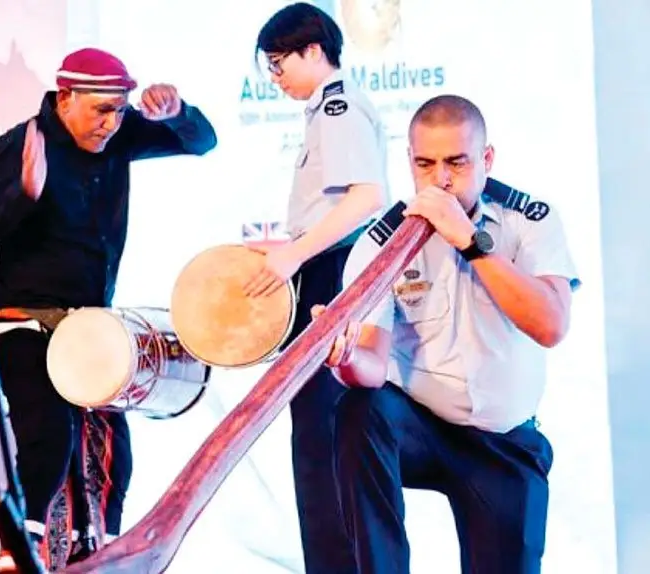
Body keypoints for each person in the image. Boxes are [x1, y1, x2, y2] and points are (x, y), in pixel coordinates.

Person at [0, 47, 217, 571]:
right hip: (22, 323)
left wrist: (178, 112)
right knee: (48, 434)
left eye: (120, 109)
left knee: (110, 445)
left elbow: (201, 142)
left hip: (90, 328)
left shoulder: (120, 134)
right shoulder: (18, 146)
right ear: (66, 98)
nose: (112, 123)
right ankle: (15, 554)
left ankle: (93, 551)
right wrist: (23, 194)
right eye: (101, 110)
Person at [315, 94, 579, 574]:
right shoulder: (381, 242)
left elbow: (551, 325)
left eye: (456, 162)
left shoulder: (529, 221)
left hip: (503, 441)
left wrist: (467, 239)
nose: (440, 179)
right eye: (425, 164)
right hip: (423, 428)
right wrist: (343, 356)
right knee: (358, 408)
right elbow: (371, 367)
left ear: (486, 160)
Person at [248, 4, 388, 572]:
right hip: (321, 268)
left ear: (313, 50)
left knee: (321, 441)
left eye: (279, 62)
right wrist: (286, 251)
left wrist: (294, 254)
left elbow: (366, 197)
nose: (276, 77)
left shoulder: (337, 103)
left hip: (331, 276)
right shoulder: (324, 109)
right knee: (317, 437)